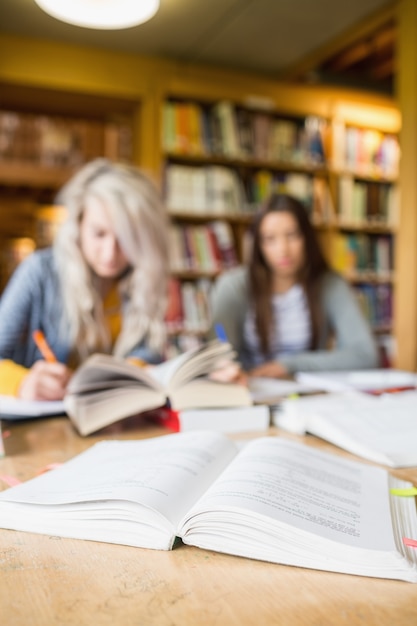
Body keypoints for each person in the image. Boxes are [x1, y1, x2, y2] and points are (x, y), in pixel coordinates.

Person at [0, 158, 169, 400]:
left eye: (125, 238)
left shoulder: (141, 278)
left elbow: (146, 352)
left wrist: (136, 370)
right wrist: (22, 383)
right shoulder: (39, 271)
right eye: (99, 234)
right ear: (78, 226)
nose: (110, 253)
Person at [210, 193, 379, 378]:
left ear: (307, 238)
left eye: (292, 235)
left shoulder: (329, 284)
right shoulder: (233, 287)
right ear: (259, 245)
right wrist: (227, 371)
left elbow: (365, 355)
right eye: (270, 239)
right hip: (249, 392)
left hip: (309, 396)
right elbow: (217, 357)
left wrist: (288, 366)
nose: (283, 249)